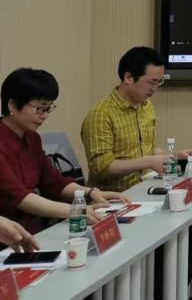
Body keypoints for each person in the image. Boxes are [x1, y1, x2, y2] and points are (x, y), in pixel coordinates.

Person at [81, 47, 192, 300]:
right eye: (151, 82)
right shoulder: (100, 115)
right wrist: (149, 161)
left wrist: (175, 155)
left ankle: (171, 293)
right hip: (114, 201)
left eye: (160, 82)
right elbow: (102, 167)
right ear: (128, 77)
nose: (155, 89)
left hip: (145, 194)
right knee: (167, 237)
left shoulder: (146, 107)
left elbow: (148, 149)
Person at [0, 69, 127, 238]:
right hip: (9, 236)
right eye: (39, 109)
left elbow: (55, 183)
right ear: (12, 105)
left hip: (36, 231)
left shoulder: (32, 138)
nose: (44, 116)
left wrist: (91, 192)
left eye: (48, 108)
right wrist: (76, 210)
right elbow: (20, 198)